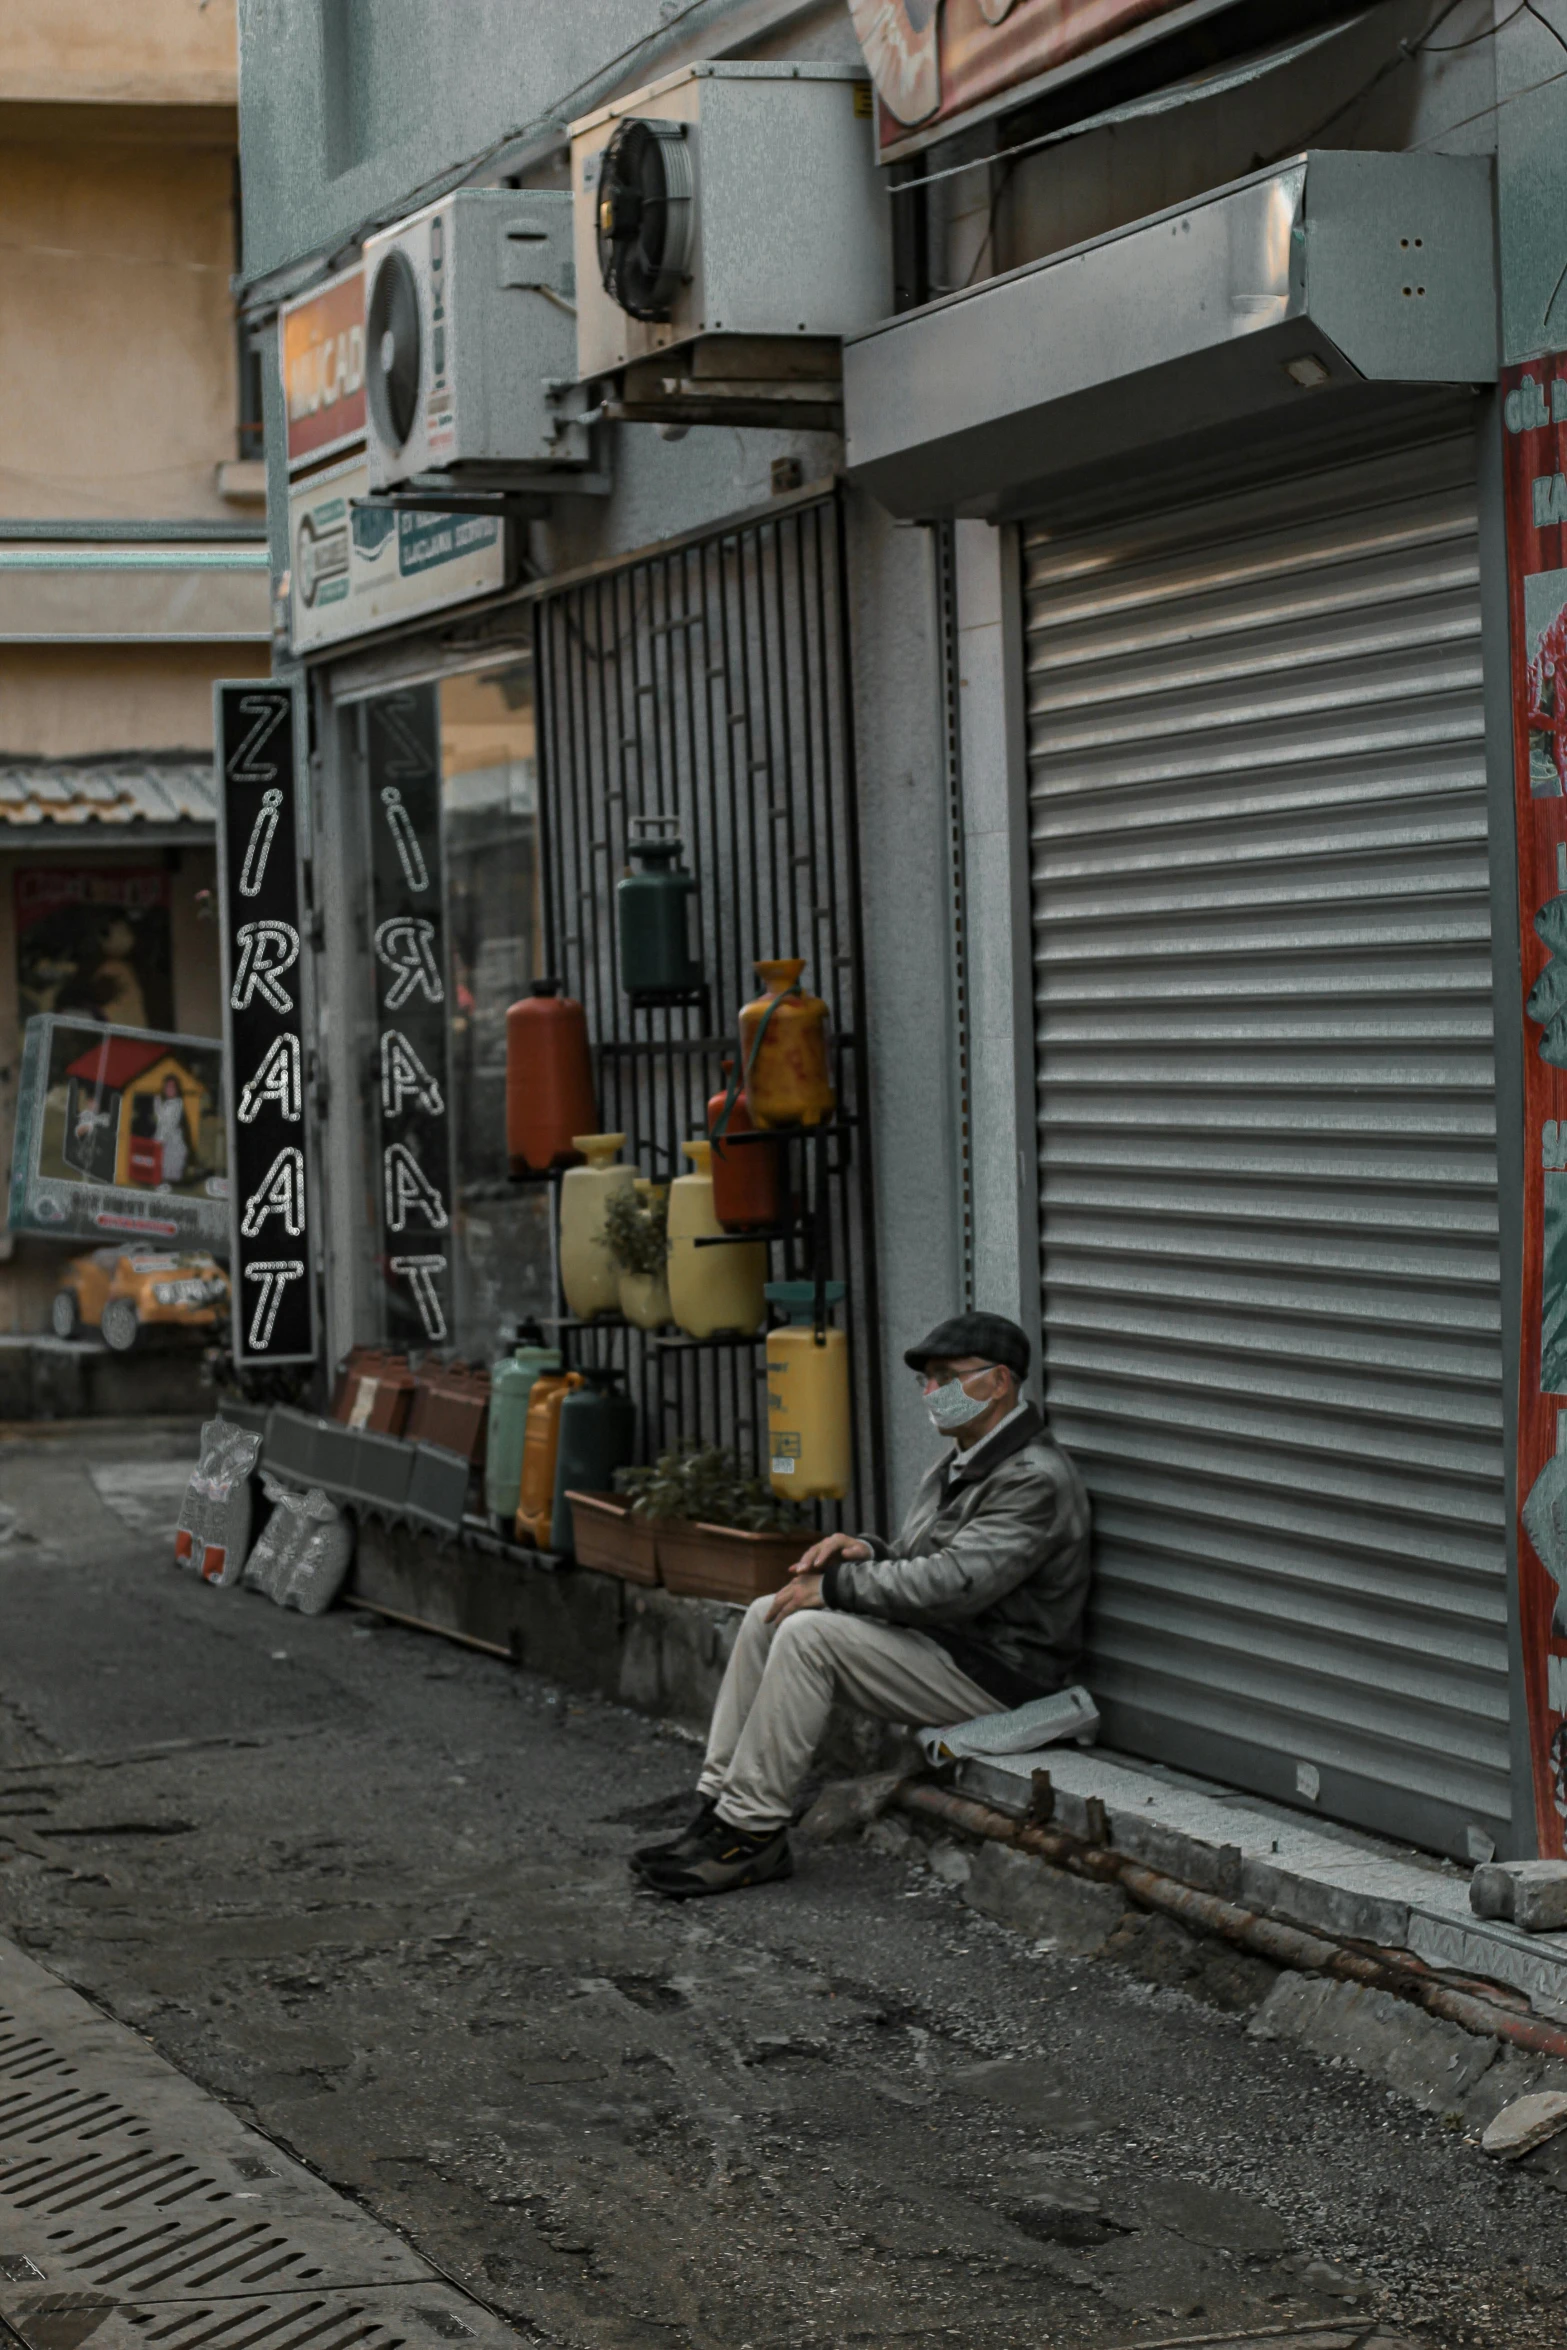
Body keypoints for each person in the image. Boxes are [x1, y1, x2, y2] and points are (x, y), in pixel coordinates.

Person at [633, 1310, 1091, 1900]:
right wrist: (868, 1550)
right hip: (948, 1645)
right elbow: (924, 1557)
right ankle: (717, 1810)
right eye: (926, 1379)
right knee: (768, 1614)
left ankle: (751, 1835)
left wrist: (837, 1587)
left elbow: (954, 1583)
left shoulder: (1033, 1478)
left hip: (1000, 1673)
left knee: (808, 1635)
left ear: (1000, 1381)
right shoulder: (967, 1458)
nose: (932, 1392)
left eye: (947, 1376)